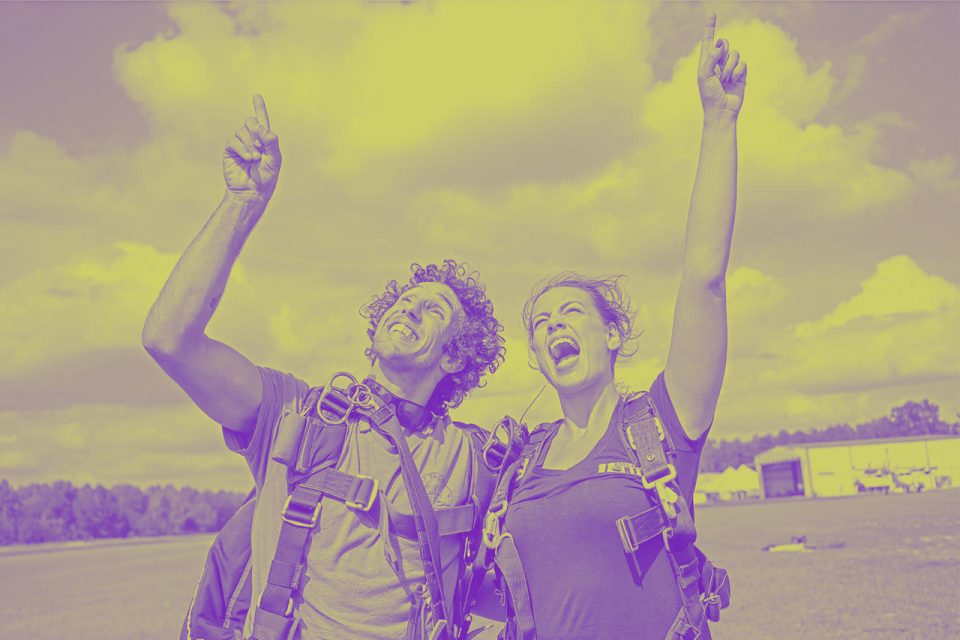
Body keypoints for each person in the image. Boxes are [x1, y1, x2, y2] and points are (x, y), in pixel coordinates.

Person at [142, 95, 506, 640]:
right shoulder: (297, 414)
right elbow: (168, 339)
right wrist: (243, 202)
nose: (407, 306)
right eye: (403, 300)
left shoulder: (473, 458)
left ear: (454, 356)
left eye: (433, 309)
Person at [480, 15, 744, 640]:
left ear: (614, 334)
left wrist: (718, 122)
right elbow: (511, 594)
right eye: (540, 324)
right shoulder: (520, 464)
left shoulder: (660, 425)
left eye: (571, 314)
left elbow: (704, 276)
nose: (552, 328)